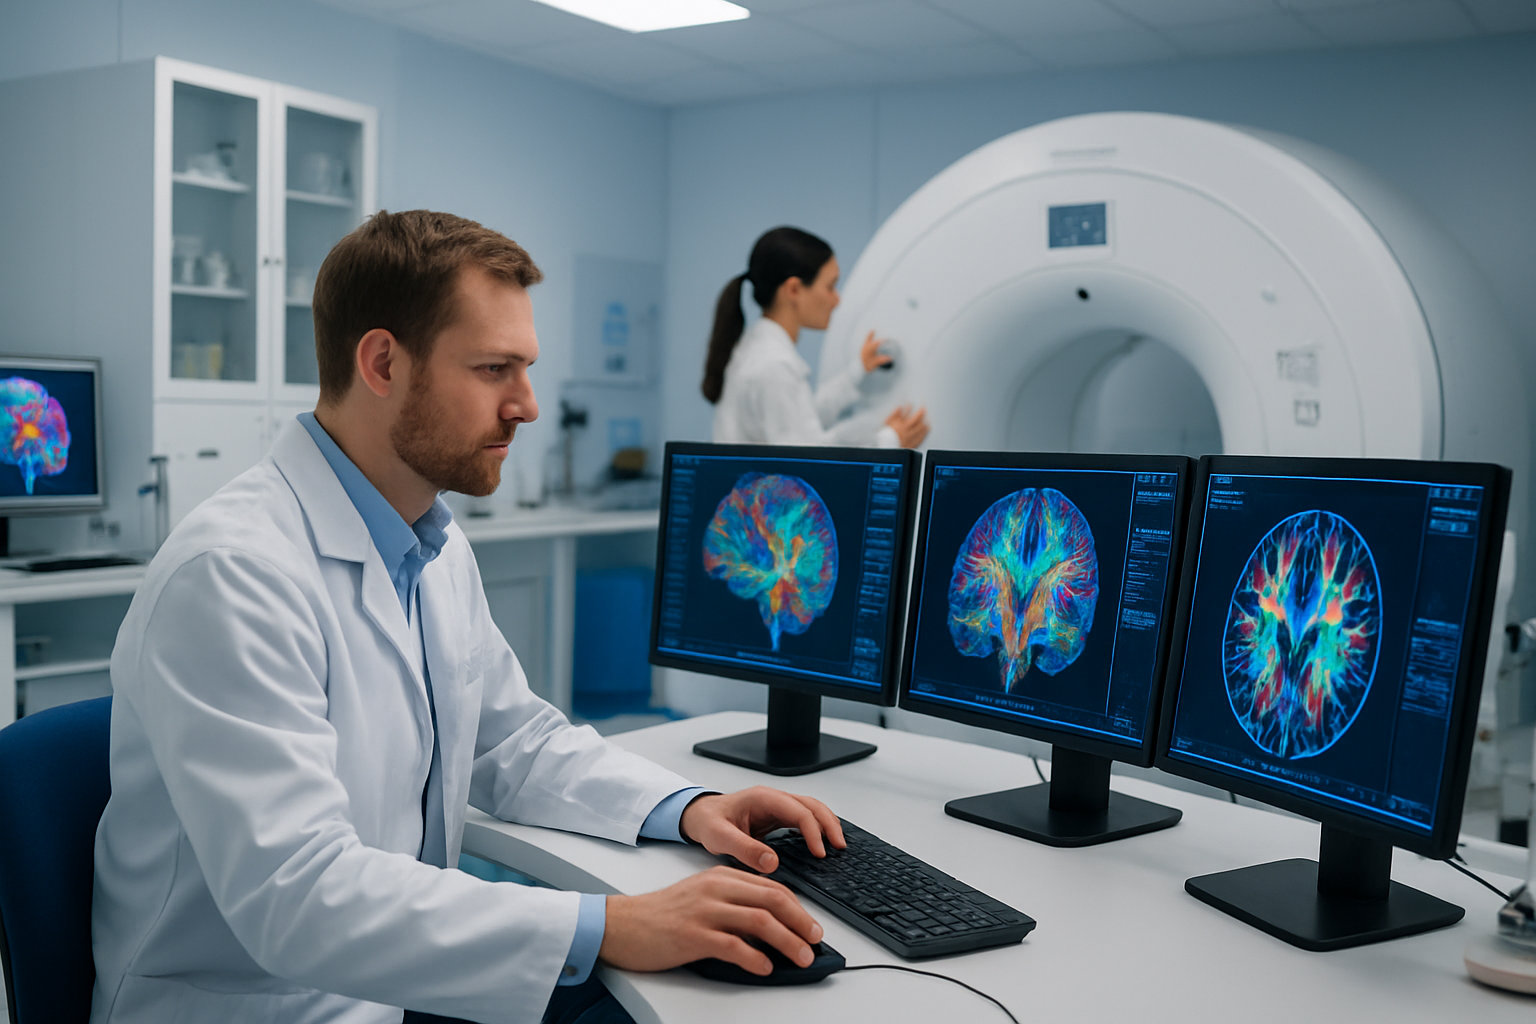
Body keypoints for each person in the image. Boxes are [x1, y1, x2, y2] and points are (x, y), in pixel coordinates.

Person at [90, 210, 845, 1024]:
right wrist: (613, 923)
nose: (526, 405)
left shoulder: (433, 544)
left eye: (525, 369)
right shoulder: (233, 574)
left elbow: (516, 742)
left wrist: (690, 808)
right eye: (494, 369)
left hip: (384, 989)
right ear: (382, 362)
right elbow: (297, 898)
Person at [703, 226, 929, 448]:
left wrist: (857, 371)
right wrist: (889, 440)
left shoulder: (754, 348)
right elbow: (810, 462)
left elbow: (801, 419)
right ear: (793, 290)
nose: (837, 300)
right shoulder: (775, 365)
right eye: (830, 286)